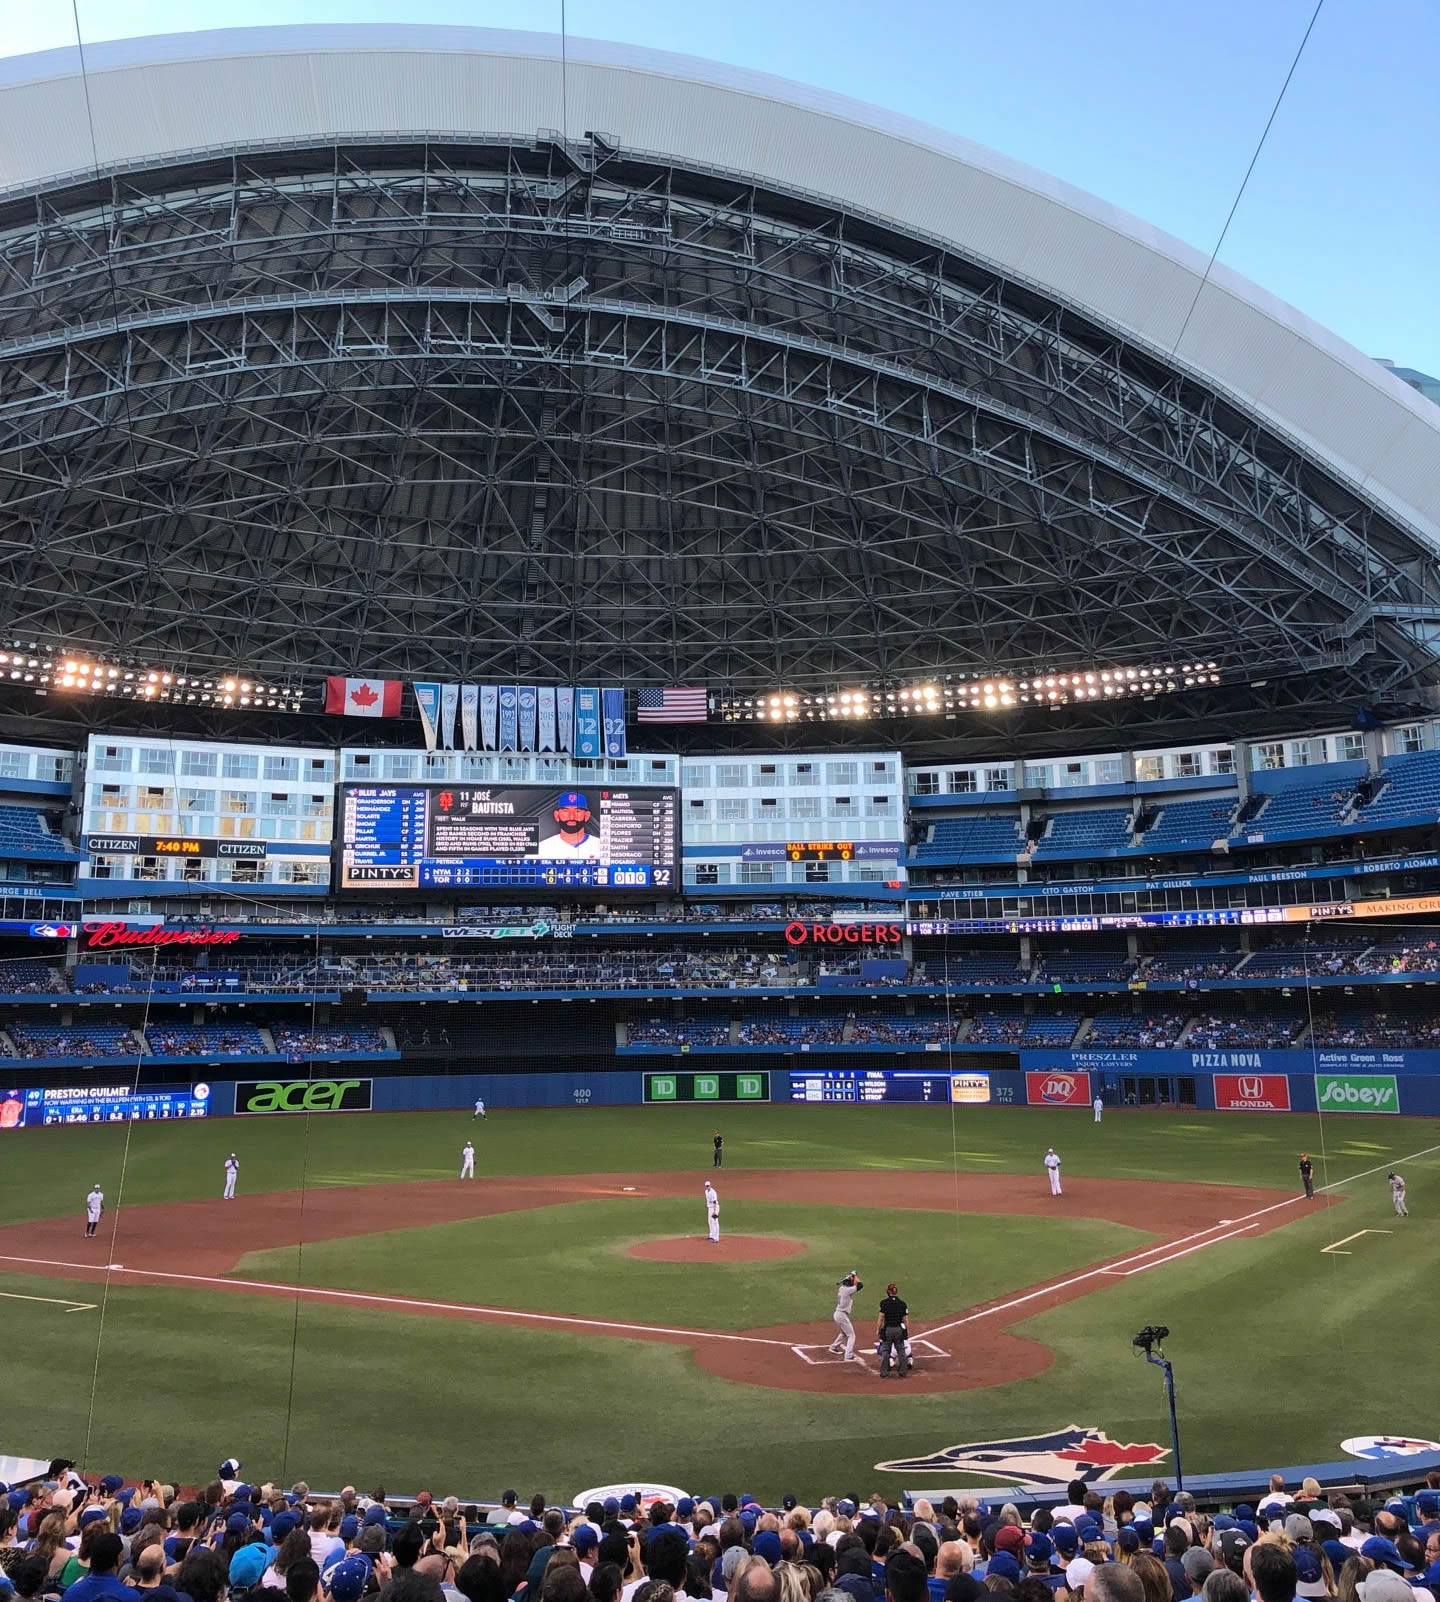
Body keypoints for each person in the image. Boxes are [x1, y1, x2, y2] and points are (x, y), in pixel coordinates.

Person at [537, 792, 602, 859]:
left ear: (586, 816)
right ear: (557, 815)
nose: (571, 817)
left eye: (577, 811)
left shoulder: (603, 848)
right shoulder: (542, 849)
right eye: (565, 811)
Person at [828, 1272, 863, 1364]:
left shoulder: (842, 1288)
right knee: (851, 1335)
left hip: (838, 1314)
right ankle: (848, 1356)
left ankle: (834, 1347)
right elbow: (860, 1285)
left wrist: (851, 1277)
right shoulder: (848, 1290)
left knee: (844, 1333)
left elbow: (856, 1285)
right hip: (841, 1315)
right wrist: (855, 1277)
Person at [877, 1282, 909, 1378]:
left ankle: (884, 1373)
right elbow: (906, 1320)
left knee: (886, 1351)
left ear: (888, 1292)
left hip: (888, 1330)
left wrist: (878, 1330)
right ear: (896, 1292)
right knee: (901, 1351)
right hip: (898, 1329)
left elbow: (881, 1318)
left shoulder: (884, 1303)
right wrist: (906, 1330)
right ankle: (903, 1372)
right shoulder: (902, 1304)